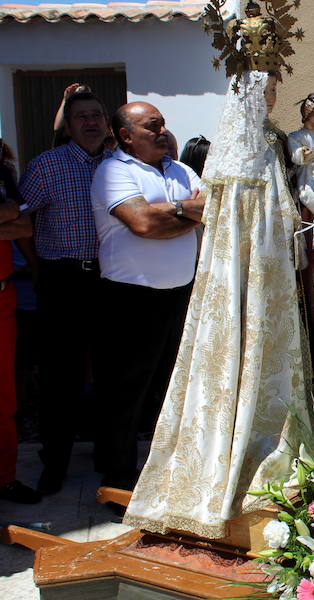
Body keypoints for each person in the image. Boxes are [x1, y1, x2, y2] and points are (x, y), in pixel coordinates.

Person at [125, 72, 314, 537]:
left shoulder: (276, 138)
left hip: (276, 270)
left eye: (275, 89)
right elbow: (234, 215)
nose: (272, 97)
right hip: (244, 270)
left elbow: (294, 197)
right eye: (265, 89)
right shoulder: (236, 144)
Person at [90, 101, 203, 490]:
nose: (162, 132)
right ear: (126, 135)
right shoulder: (113, 171)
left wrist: (171, 211)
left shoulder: (181, 169)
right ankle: (118, 481)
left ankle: (166, 476)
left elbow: (214, 209)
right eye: (152, 126)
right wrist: (188, 212)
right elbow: (142, 223)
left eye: (163, 124)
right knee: (126, 393)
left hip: (180, 295)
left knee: (172, 389)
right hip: (130, 299)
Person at [18, 90, 113, 494]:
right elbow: (22, 221)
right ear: (68, 125)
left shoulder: (121, 164)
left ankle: (112, 462)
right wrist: (37, 266)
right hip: (63, 281)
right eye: (81, 117)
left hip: (112, 282)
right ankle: (54, 465)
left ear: (107, 122)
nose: (90, 122)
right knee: (61, 377)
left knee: (112, 373)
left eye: (96, 115)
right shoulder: (47, 165)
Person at [0, 159, 40, 504]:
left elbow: (24, 226)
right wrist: (6, 214)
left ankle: (5, 478)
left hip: (3, 298)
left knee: (5, 397)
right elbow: (13, 217)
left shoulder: (1, 171)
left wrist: (12, 213)